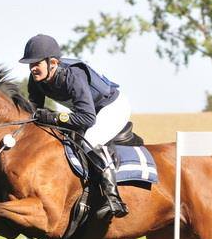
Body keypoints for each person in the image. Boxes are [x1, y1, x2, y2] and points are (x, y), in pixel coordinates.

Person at [20, 34, 130, 219]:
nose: (32, 68)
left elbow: (87, 119)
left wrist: (53, 118)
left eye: (36, 63)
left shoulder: (73, 77)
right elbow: (34, 112)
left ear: (52, 63)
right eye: (30, 64)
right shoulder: (37, 80)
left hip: (112, 107)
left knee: (90, 141)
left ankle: (113, 200)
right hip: (88, 111)